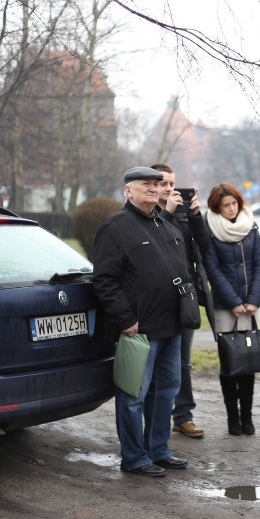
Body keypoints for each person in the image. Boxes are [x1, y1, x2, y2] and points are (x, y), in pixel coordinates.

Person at [92, 166, 191, 477]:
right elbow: (104, 280)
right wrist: (126, 320)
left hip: (172, 326)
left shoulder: (164, 223)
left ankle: (158, 450)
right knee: (134, 396)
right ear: (128, 191)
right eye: (145, 184)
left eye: (155, 183)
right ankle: (134, 457)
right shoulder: (116, 227)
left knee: (167, 392)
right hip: (140, 331)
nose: (153, 188)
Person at [150, 164, 212, 439]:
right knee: (156, 360)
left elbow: (206, 246)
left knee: (183, 361)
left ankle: (183, 416)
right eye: (162, 183)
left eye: (171, 183)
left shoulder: (185, 212)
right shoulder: (149, 213)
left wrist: (196, 216)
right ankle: (154, 417)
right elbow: (156, 241)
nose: (168, 188)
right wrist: (168, 212)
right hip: (157, 298)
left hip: (184, 296)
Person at [203, 183, 260, 436]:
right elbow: (212, 270)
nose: (231, 209)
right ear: (217, 208)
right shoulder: (211, 231)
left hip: (251, 307)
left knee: (249, 361)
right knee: (230, 362)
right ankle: (232, 418)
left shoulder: (251, 227)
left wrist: (253, 300)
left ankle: (247, 416)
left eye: (234, 204)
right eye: (225, 206)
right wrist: (233, 302)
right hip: (225, 308)